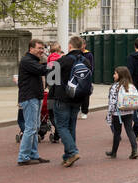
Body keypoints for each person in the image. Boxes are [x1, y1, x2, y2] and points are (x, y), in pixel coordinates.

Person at [49, 36, 89, 167]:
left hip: (62, 97)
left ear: (70, 46)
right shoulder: (85, 61)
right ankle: (67, 156)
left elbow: (51, 79)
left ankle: (72, 152)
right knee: (71, 126)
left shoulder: (63, 61)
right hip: (77, 98)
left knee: (61, 127)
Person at [16, 38, 51, 166]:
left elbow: (41, 68)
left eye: (42, 48)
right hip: (29, 98)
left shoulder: (33, 61)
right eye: (39, 48)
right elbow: (42, 70)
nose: (41, 51)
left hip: (35, 97)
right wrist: (55, 63)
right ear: (31, 49)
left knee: (34, 128)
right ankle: (23, 157)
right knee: (30, 128)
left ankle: (33, 154)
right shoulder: (27, 61)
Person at [105, 66, 138, 159]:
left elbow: (112, 102)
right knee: (129, 130)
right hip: (129, 111)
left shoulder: (115, 86)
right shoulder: (131, 86)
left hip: (118, 113)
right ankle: (134, 150)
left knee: (117, 132)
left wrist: (109, 114)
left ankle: (114, 152)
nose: (114, 75)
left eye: (115, 73)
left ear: (120, 75)